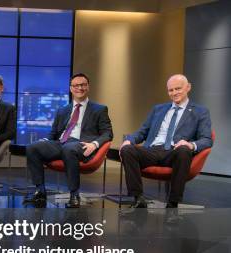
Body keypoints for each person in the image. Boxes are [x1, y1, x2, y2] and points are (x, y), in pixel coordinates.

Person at [120, 74, 213, 208]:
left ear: (188, 87)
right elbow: (143, 131)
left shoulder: (200, 111)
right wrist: (129, 140)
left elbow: (207, 139)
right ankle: (138, 198)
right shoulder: (158, 109)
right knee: (127, 149)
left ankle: (173, 202)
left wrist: (191, 145)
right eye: (171, 90)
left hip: (175, 151)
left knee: (184, 151)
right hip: (152, 150)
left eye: (178, 89)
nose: (174, 93)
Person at [23, 73, 113, 208]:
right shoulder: (62, 110)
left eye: (83, 85)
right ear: (71, 88)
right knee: (32, 147)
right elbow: (53, 134)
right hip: (61, 143)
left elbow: (108, 133)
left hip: (81, 145)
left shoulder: (99, 109)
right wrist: (46, 140)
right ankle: (40, 191)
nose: (79, 88)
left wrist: (94, 145)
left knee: (69, 148)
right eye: (76, 85)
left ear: (88, 87)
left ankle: (74, 194)